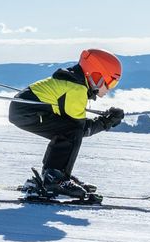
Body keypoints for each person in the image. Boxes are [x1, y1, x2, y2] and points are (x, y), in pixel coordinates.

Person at [7, 49, 126, 201]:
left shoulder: (74, 84)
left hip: (25, 110)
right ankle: (56, 180)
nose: (110, 88)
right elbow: (80, 129)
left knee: (67, 131)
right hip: (27, 112)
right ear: (96, 76)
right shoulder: (76, 89)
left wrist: (105, 122)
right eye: (111, 82)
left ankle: (56, 176)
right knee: (71, 131)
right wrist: (106, 123)